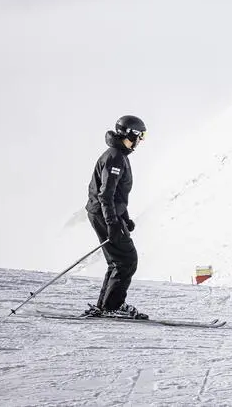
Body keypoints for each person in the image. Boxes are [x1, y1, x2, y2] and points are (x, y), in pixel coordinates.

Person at [84, 115, 148, 319]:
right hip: (104, 213)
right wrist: (112, 223)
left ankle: (106, 305)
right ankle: (113, 305)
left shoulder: (118, 155)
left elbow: (118, 194)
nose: (141, 141)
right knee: (127, 260)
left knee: (118, 261)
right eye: (142, 135)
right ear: (132, 134)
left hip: (105, 213)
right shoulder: (116, 158)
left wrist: (125, 218)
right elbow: (106, 194)